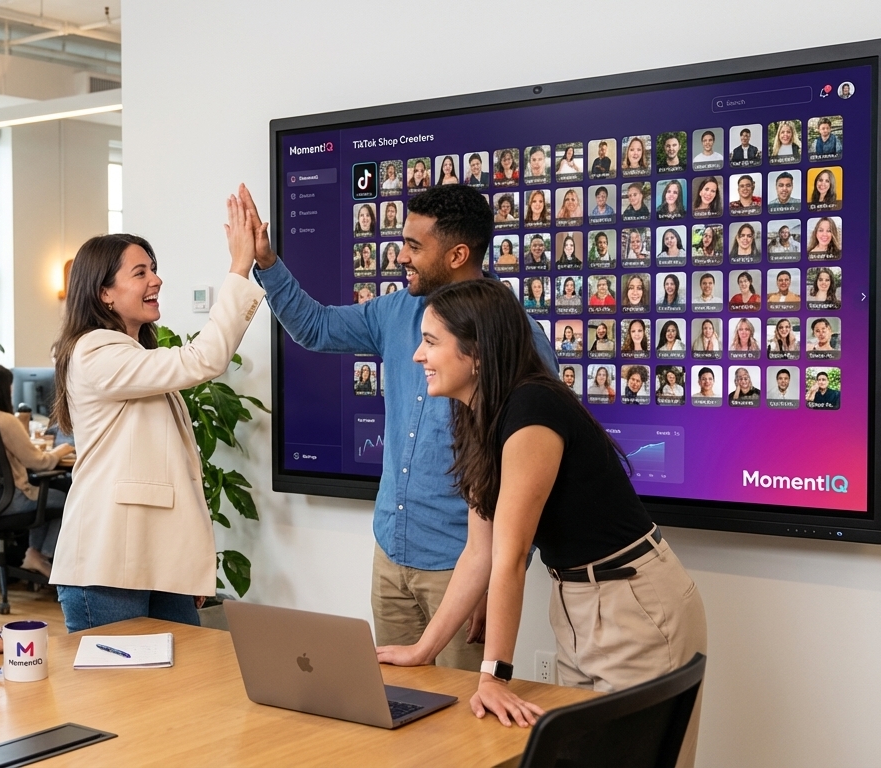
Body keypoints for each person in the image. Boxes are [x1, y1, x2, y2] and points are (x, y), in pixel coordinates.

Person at [378, 279, 705, 755]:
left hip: (633, 603)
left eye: (430, 342)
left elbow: (509, 558)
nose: (417, 356)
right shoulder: (477, 414)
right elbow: (479, 553)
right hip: (577, 603)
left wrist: (494, 676)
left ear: (476, 353)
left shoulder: (532, 408)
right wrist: (423, 649)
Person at [241, 182, 557, 673]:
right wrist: (267, 262)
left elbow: (533, 477)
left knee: (461, 717)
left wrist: (493, 578)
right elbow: (316, 327)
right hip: (391, 555)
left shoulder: (516, 339)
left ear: (457, 254)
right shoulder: (396, 311)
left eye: (414, 246)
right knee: (398, 704)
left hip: (461, 567)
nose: (401, 256)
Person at [50, 211, 265, 631]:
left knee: (184, 674)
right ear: (104, 293)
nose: (157, 280)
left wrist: (186, 567)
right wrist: (240, 266)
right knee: (119, 680)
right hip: (107, 568)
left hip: (156, 566)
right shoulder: (94, 351)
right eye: (140, 272)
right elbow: (204, 359)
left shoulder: (134, 356)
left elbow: (166, 474)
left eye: (154, 269)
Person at [0, 364, 75, 578]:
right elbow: (38, 462)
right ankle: (40, 554)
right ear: (4, 389)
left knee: (47, 495)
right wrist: (61, 451)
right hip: (11, 501)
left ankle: (35, 555)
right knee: (70, 499)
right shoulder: (5, 421)